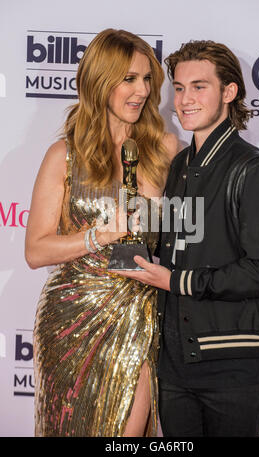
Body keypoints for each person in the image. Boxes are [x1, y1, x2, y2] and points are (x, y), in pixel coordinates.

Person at [118, 40, 259, 437]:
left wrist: (176, 282)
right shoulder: (179, 164)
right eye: (178, 88)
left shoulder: (255, 170)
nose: (184, 99)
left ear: (229, 92)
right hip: (175, 364)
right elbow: (176, 243)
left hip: (231, 368)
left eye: (199, 86)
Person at [25, 28, 178, 437]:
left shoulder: (165, 149)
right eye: (129, 78)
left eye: (147, 79)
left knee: (129, 433)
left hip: (138, 311)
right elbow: (36, 251)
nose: (142, 90)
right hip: (71, 315)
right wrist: (99, 236)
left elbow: (181, 232)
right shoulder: (64, 155)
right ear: (99, 82)